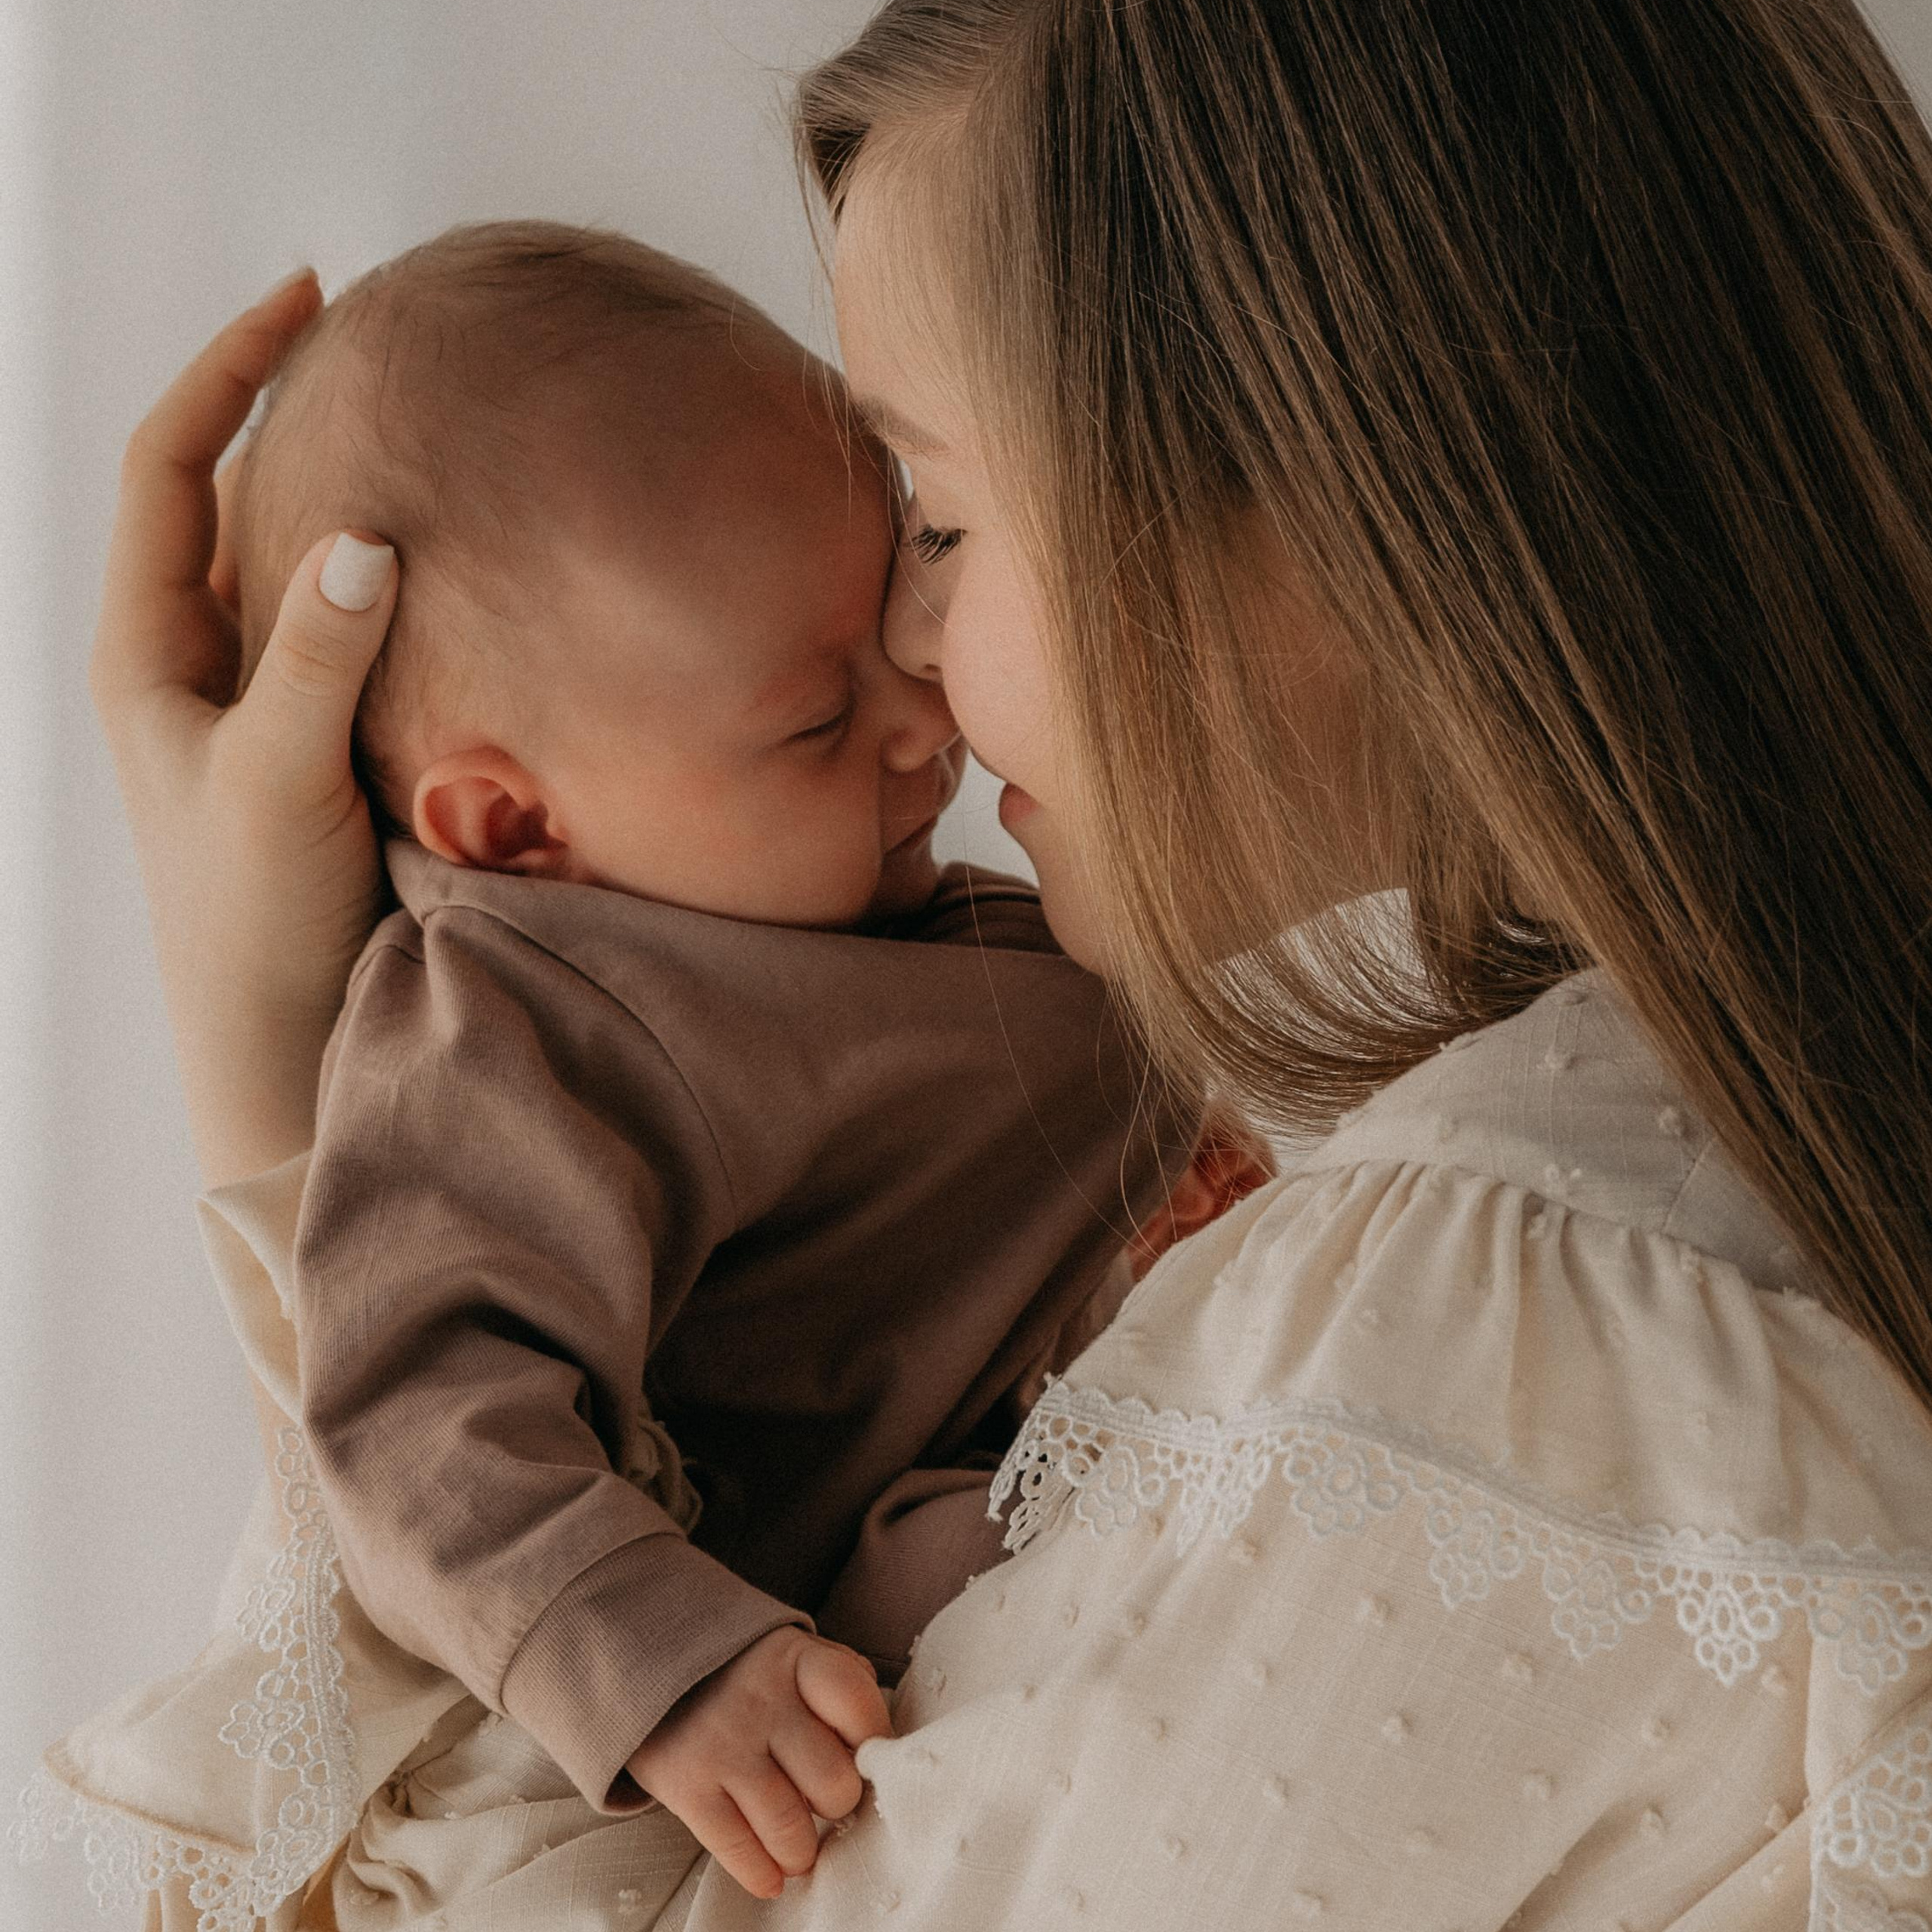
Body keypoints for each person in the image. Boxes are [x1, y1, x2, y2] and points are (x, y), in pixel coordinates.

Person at [20, 0, 1932, 1924]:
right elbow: (442, 1396)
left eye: (930, 518)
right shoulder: (1634, 1227)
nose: (917, 657)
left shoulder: (1486, 1349)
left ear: (1355, 504)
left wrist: (267, 1082)